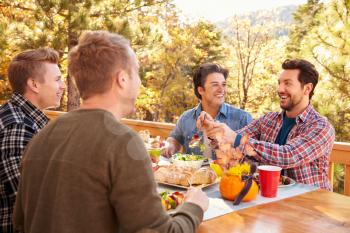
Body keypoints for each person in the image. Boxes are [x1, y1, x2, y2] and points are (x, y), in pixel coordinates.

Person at [13, 31, 208, 233]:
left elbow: (20, 222)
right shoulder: (123, 142)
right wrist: (194, 207)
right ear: (122, 79)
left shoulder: (41, 137)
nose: (140, 83)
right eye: (137, 73)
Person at [198, 59, 335, 190]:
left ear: (307, 89)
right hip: (268, 199)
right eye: (279, 83)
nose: (280, 89)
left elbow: (288, 155)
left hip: (311, 205)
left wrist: (235, 138)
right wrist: (213, 130)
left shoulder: (321, 127)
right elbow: (233, 146)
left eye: (287, 83)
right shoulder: (268, 120)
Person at [0, 48, 66, 233]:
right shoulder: (18, 126)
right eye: (57, 79)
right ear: (34, 84)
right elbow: (29, 199)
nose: (63, 86)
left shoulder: (23, 118)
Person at [162, 63, 253, 157]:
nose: (222, 90)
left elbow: (255, 153)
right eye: (215, 85)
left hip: (229, 171)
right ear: (201, 90)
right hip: (193, 171)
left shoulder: (243, 118)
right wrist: (170, 146)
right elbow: (174, 138)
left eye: (224, 84)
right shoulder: (186, 118)